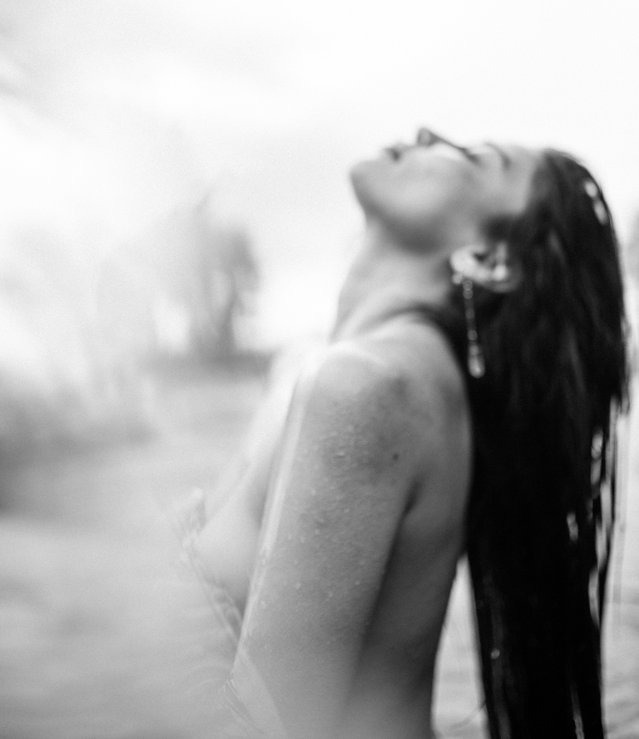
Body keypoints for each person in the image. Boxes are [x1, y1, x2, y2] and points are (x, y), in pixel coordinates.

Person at [190, 127, 629, 739]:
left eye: (473, 157)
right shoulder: (338, 372)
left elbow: (267, 729)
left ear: (489, 259)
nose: (427, 133)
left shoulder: (368, 387)